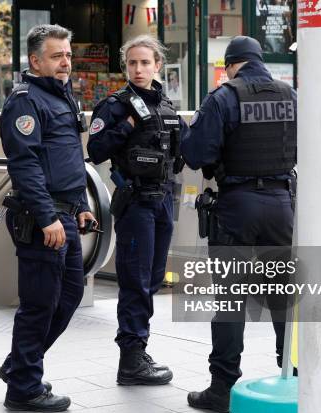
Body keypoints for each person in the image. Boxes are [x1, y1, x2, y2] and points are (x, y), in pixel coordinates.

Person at [181, 36, 297, 413]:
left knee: (230, 300)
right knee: (283, 297)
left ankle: (222, 387)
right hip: (282, 205)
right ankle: (293, 375)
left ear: (232, 64)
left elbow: (196, 154)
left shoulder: (223, 97)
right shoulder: (290, 95)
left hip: (237, 206)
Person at [0, 23, 97, 412]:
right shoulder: (25, 100)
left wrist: (83, 205)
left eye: (68, 55)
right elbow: (25, 165)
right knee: (39, 304)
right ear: (35, 61)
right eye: (57, 56)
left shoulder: (63, 96)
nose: (65, 62)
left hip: (67, 213)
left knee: (69, 297)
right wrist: (46, 217)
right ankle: (23, 387)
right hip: (43, 218)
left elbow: (70, 160)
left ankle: (20, 367)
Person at [87, 35, 187, 386]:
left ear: (158, 65)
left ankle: (138, 350)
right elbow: (96, 148)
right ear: (125, 66)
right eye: (132, 63)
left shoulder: (167, 107)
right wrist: (128, 125)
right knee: (135, 282)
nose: (139, 69)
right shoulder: (115, 105)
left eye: (145, 63)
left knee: (153, 280)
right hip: (135, 205)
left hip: (163, 203)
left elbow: (186, 148)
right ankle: (130, 359)